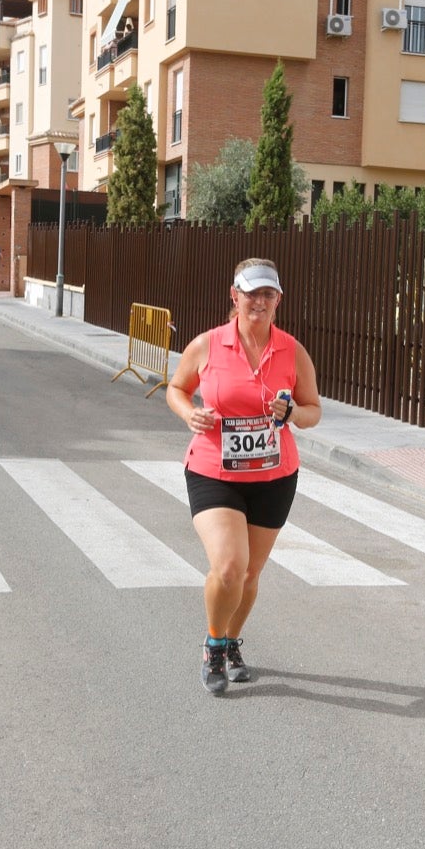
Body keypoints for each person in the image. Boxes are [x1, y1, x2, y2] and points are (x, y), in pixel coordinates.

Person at [166, 258, 321, 695]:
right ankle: (214, 643)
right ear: (234, 297)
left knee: (251, 574)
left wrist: (291, 412)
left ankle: (233, 641)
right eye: (251, 292)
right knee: (230, 566)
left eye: (268, 293)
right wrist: (189, 413)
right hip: (214, 470)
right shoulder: (208, 345)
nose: (259, 301)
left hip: (274, 476)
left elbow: (313, 411)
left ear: (278, 301)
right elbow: (176, 389)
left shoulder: (292, 350)